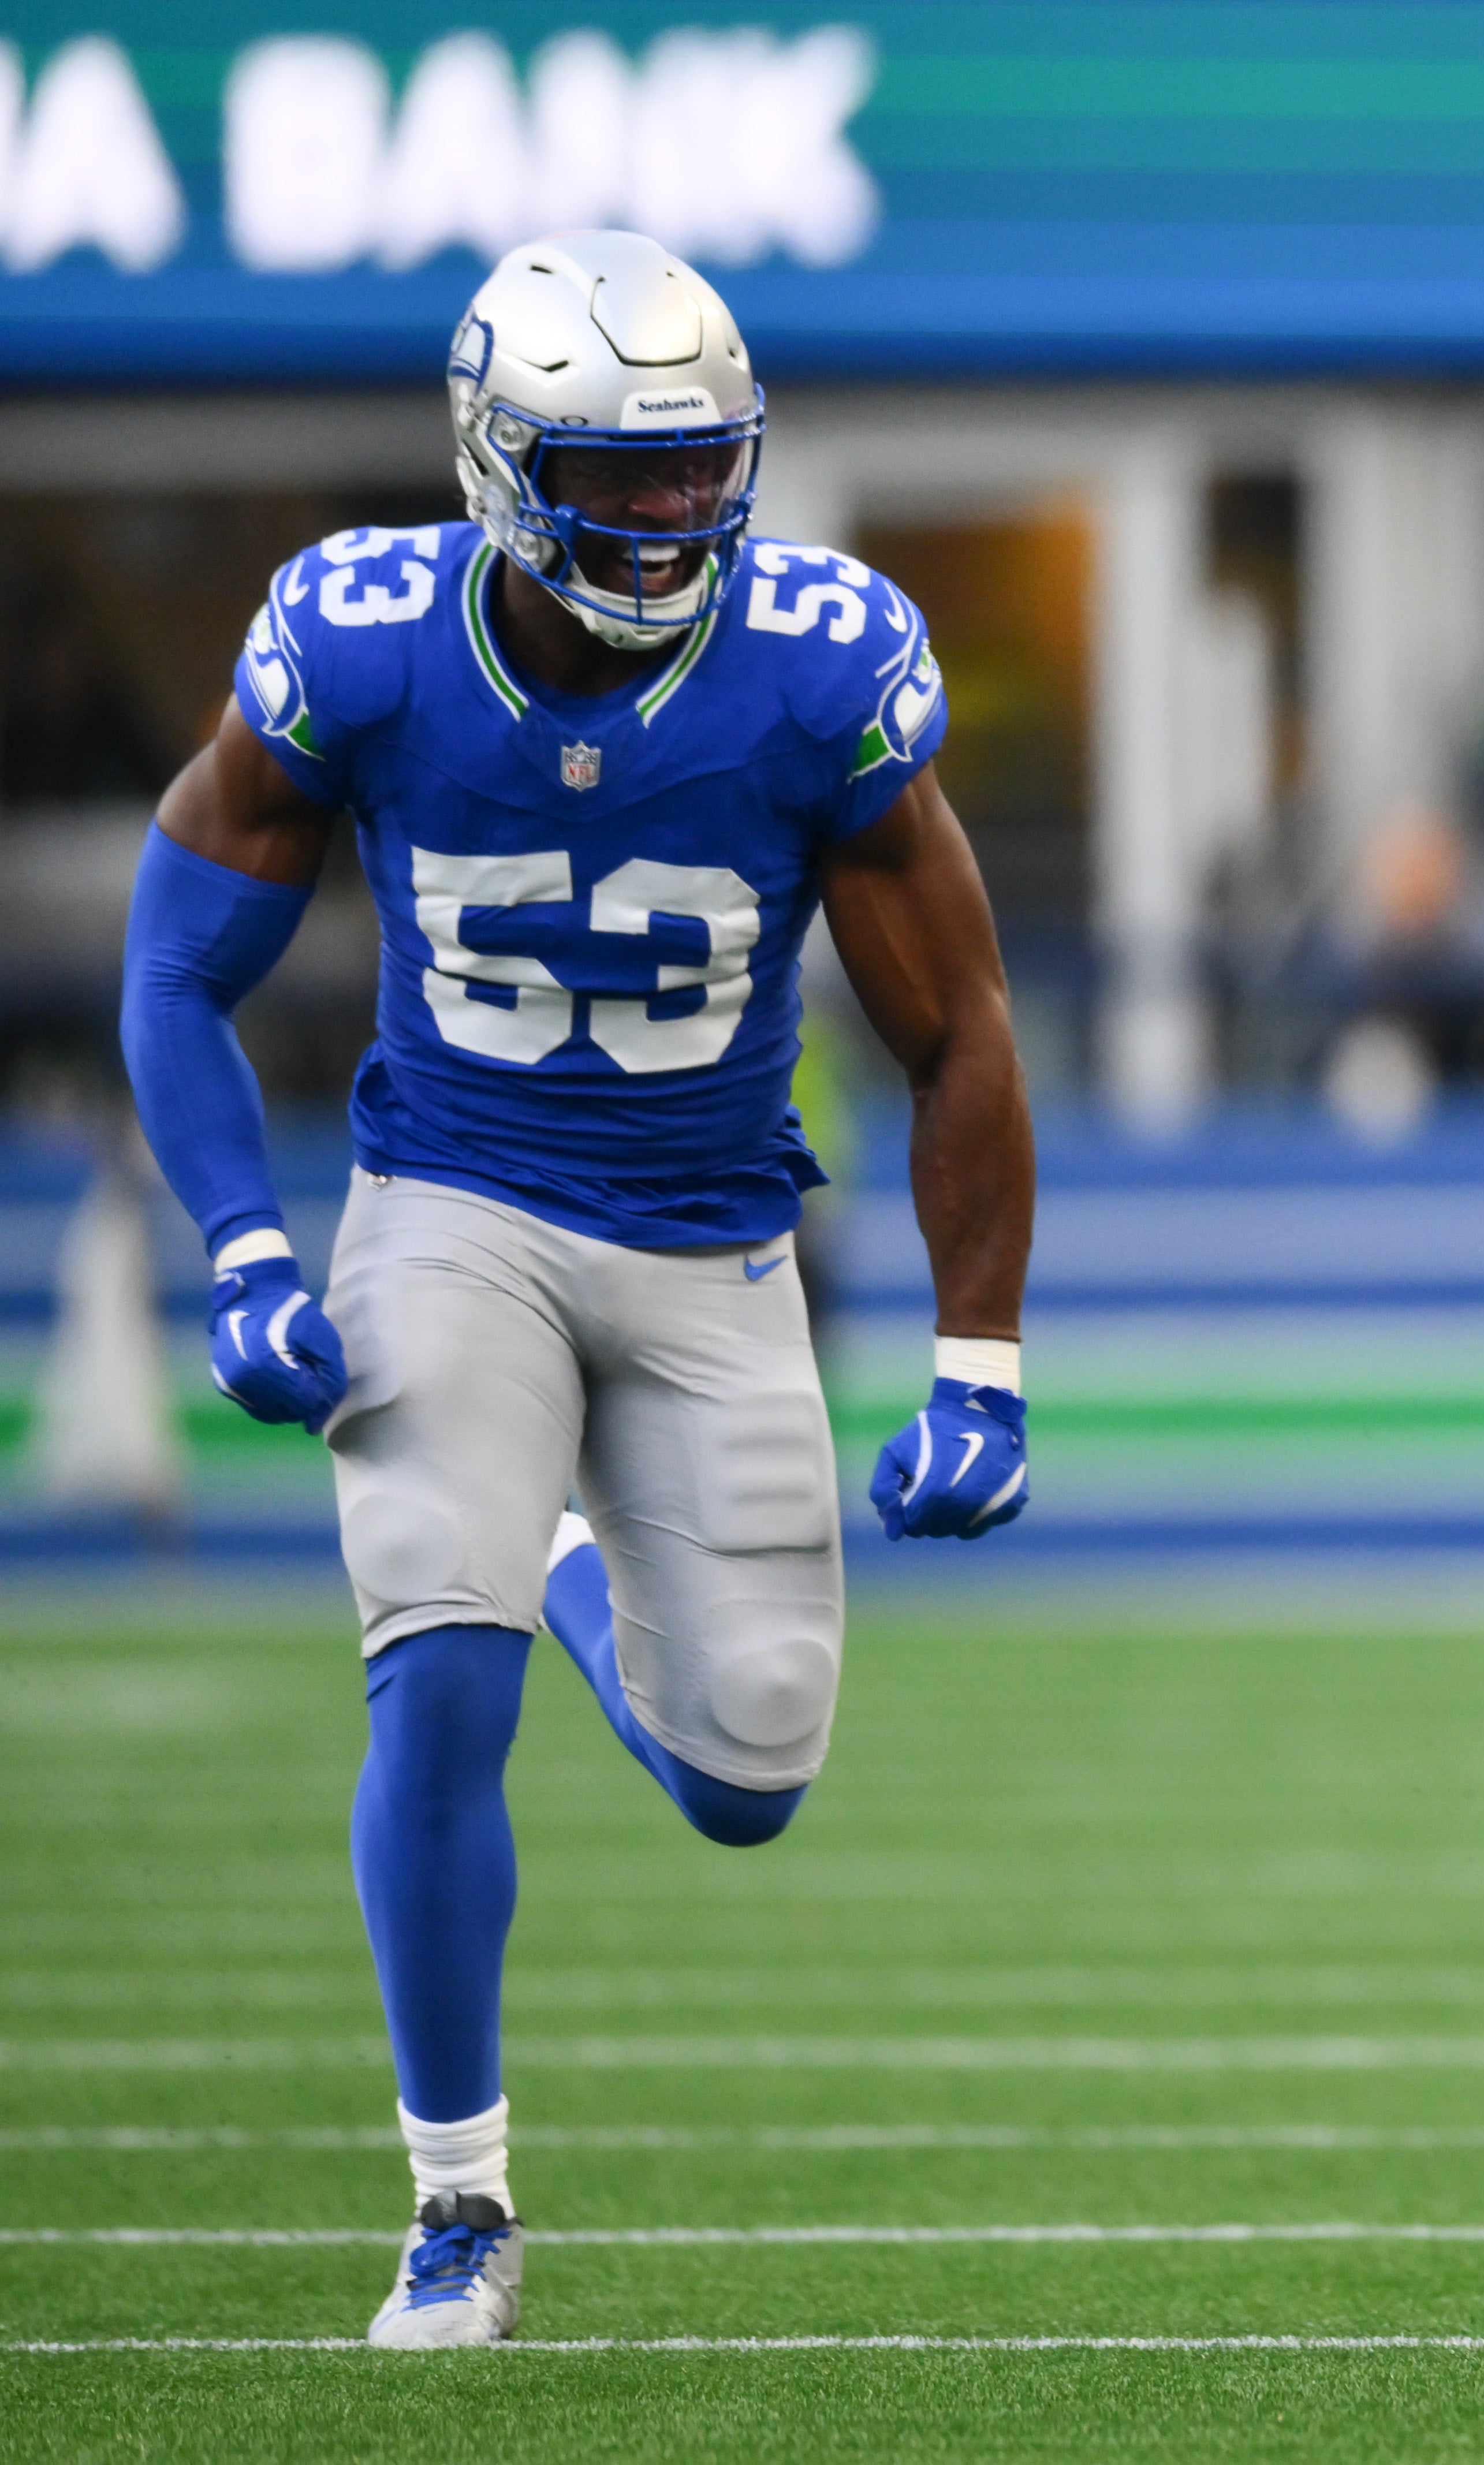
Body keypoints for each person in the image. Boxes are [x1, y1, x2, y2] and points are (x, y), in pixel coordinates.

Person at [117, 230, 1036, 2348]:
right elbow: (176, 963)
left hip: (718, 1240)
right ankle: (459, 2206)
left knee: (751, 1772)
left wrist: (981, 1360)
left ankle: (565, 1557)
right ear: (498, 464)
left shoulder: (821, 665)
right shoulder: (359, 644)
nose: (670, 514)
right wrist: (249, 1251)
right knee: (434, 1679)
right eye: (617, 476)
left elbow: (963, 1024)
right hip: (451, 1202)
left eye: (701, 468)